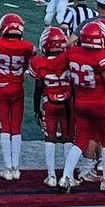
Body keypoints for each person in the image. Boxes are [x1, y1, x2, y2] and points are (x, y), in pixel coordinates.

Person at [60, 21, 105, 193]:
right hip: (98, 103)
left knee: (81, 140)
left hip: (80, 102)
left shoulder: (73, 52)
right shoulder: (103, 56)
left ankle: (66, 177)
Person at [0, 13, 35, 181]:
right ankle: (16, 167)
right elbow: (29, 62)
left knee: (5, 127)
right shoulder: (27, 46)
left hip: (1, 87)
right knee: (16, 127)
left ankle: (7, 166)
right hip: (17, 87)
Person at [30, 26, 73, 187]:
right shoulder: (68, 58)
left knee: (50, 137)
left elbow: (38, 88)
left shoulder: (38, 62)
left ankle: (52, 175)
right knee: (68, 137)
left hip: (49, 101)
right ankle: (67, 175)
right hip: (67, 101)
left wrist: (36, 108)